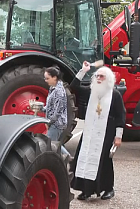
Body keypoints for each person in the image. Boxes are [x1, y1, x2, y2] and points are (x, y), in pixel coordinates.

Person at [70, 62, 126, 200]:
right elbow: (73, 87)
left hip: (107, 131)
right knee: (84, 158)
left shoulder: (115, 94)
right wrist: (83, 70)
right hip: (90, 131)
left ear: (108, 79)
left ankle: (108, 189)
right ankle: (86, 190)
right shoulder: (92, 91)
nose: (99, 78)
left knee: (104, 161)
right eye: (97, 76)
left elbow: (121, 116)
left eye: (102, 76)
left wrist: (118, 137)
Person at [40, 66, 69, 149]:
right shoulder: (53, 88)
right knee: (56, 144)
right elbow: (51, 106)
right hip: (55, 123)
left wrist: (49, 122)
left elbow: (58, 111)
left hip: (56, 124)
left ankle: (69, 159)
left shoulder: (59, 91)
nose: (45, 81)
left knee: (49, 145)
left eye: (47, 78)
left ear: (54, 77)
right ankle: (69, 158)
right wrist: (42, 109)